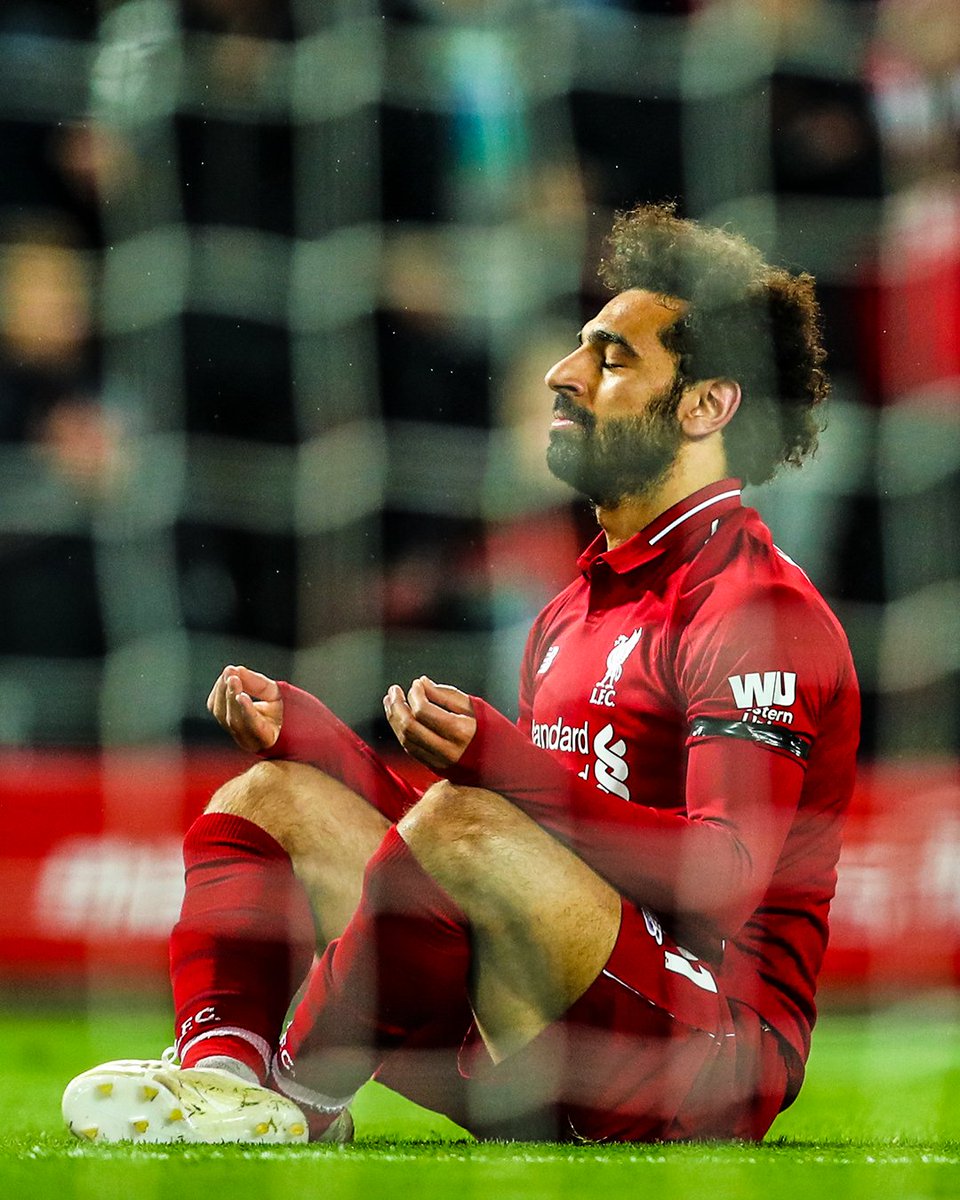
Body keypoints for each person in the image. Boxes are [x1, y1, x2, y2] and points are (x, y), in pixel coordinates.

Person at [62, 202, 860, 1145]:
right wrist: (329, 749)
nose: (564, 374)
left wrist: (503, 769)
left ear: (705, 405)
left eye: (611, 359)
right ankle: (224, 1077)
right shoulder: (573, 609)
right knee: (271, 794)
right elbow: (485, 867)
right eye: (579, 348)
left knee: (466, 820)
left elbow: (720, 879)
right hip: (550, 1022)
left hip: (706, 1058)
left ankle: (297, 1098)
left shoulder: (755, 610)